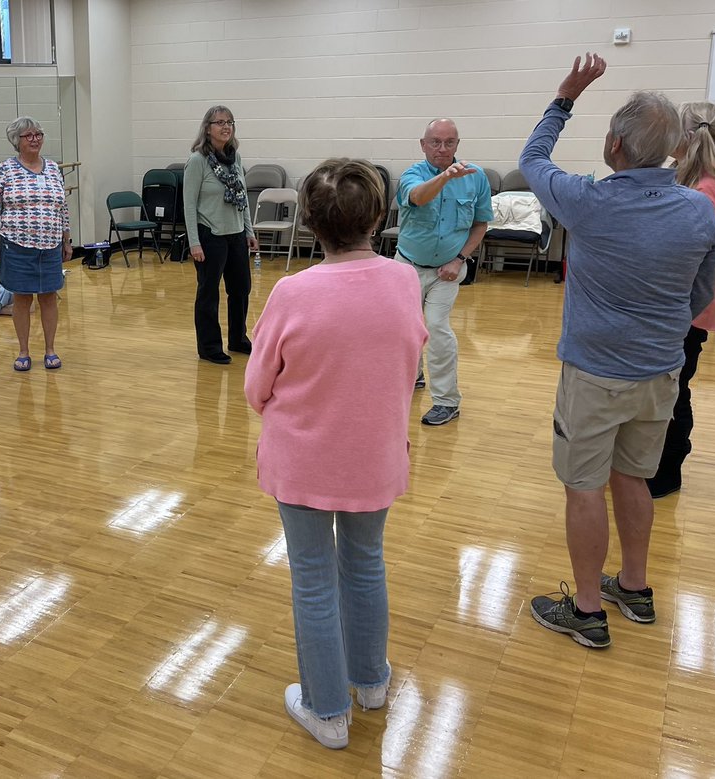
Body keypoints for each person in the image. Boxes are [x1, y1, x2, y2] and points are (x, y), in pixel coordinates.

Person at [521, 55, 715, 648]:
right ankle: (633, 588)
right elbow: (704, 292)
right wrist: (659, 330)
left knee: (585, 487)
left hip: (594, 376)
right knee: (633, 479)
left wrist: (564, 97)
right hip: (660, 373)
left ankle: (586, 610)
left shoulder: (589, 200)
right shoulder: (697, 209)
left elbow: (533, 160)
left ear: (613, 145)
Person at [244, 158, 427, 749]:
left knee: (314, 580)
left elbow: (256, 387)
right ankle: (370, 682)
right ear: (378, 217)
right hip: (374, 455)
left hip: (302, 460)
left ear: (308, 223)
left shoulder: (293, 291)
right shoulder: (402, 279)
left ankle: (327, 711)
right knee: (365, 563)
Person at [646, 102, 715, 498]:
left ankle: (667, 473)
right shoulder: (695, 179)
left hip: (685, 309)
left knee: (675, 390)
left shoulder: (706, 188)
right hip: (680, 307)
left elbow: (685, 253)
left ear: (683, 137)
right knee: (667, 388)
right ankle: (654, 465)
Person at [395, 117, 492, 425]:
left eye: (449, 142)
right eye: (435, 142)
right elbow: (417, 197)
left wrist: (460, 260)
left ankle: (447, 401)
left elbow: (480, 224)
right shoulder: (413, 174)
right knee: (406, 329)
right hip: (408, 266)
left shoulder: (475, 177)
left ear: (457, 144)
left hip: (447, 270)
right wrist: (445, 178)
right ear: (423, 145)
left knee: (437, 327)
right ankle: (415, 376)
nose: (442, 148)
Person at [0, 116, 72, 371]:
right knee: (22, 299)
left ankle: (50, 349)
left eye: (38, 134)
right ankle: (23, 351)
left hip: (51, 245)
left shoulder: (54, 168)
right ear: (17, 141)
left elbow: (62, 208)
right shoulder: (6, 169)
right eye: (29, 136)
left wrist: (67, 240)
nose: (35, 139)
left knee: (48, 297)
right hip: (17, 244)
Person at [183, 105, 258, 365]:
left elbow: (243, 199)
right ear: (207, 128)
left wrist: (249, 230)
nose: (226, 126)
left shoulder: (235, 157)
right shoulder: (197, 161)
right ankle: (209, 347)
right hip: (209, 235)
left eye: (230, 122)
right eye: (219, 123)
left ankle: (238, 339)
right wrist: (194, 242)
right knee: (209, 293)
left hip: (236, 234)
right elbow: (188, 205)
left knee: (241, 290)